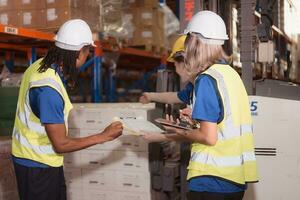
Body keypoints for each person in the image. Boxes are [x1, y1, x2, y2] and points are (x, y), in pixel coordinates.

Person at [142, 11, 258, 200]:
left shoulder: (206, 80)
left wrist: (180, 131)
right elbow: (222, 127)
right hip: (233, 181)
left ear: (196, 43)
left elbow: (208, 137)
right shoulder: (230, 75)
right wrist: (190, 124)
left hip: (211, 180)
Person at [11, 19, 123, 200]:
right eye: (88, 52)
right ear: (80, 52)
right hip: (38, 166)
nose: (87, 56)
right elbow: (60, 144)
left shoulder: (39, 66)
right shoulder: (48, 90)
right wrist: (104, 136)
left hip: (30, 159)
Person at [139, 35, 193, 106]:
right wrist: (150, 96)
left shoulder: (203, 85)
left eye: (175, 65)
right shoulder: (193, 87)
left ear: (183, 64)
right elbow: (173, 97)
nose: (176, 70)